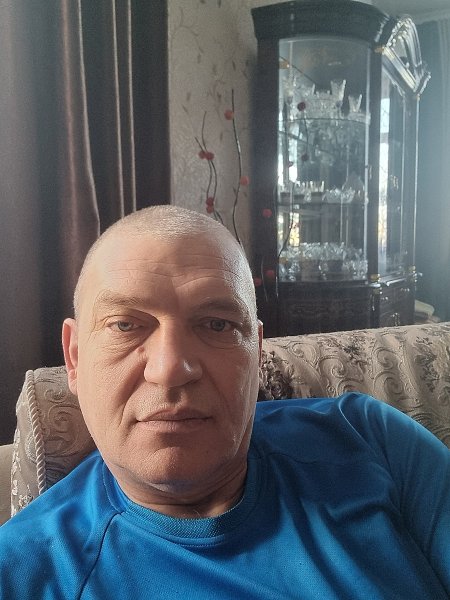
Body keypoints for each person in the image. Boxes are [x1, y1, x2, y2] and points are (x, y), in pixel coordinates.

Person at [0, 205, 449, 599]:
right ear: (75, 358)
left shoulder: (368, 436)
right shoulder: (21, 573)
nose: (171, 368)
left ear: (256, 353)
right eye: (125, 325)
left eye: (217, 324)